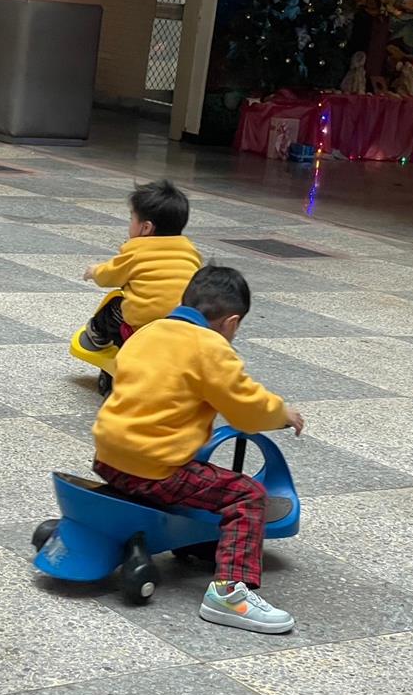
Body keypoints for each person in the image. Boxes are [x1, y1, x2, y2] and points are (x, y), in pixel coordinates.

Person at [91, 265, 304, 634]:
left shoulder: (148, 332)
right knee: (246, 495)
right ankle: (229, 594)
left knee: (196, 470)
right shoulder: (211, 348)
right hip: (156, 466)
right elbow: (246, 409)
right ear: (231, 322)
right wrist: (281, 413)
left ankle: (191, 538)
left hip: (108, 454)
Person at [82, 180, 201, 349]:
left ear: (146, 228)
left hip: (141, 332)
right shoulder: (190, 252)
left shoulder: (137, 251)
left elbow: (108, 276)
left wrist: (94, 271)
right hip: (182, 330)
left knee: (114, 304)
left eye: (132, 219)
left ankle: (98, 334)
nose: (130, 223)